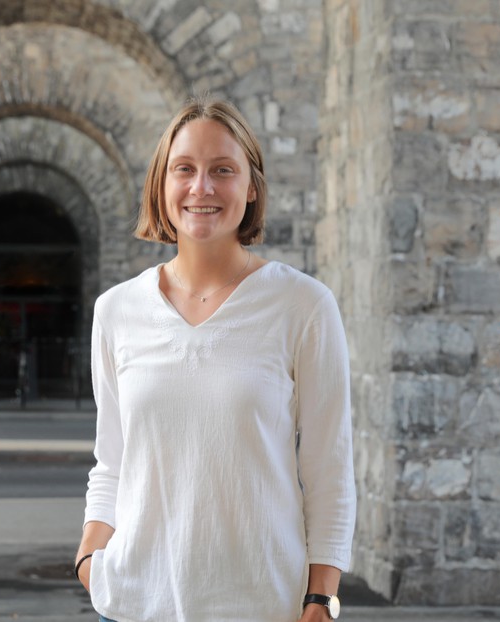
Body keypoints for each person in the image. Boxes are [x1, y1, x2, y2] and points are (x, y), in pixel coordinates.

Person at [74, 96, 356, 622]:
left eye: (222, 170)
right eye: (185, 169)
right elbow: (112, 461)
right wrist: (89, 559)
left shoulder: (304, 305)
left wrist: (322, 599)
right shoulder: (116, 311)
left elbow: (329, 470)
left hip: (264, 604)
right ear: (162, 185)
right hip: (135, 603)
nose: (201, 187)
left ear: (251, 188)